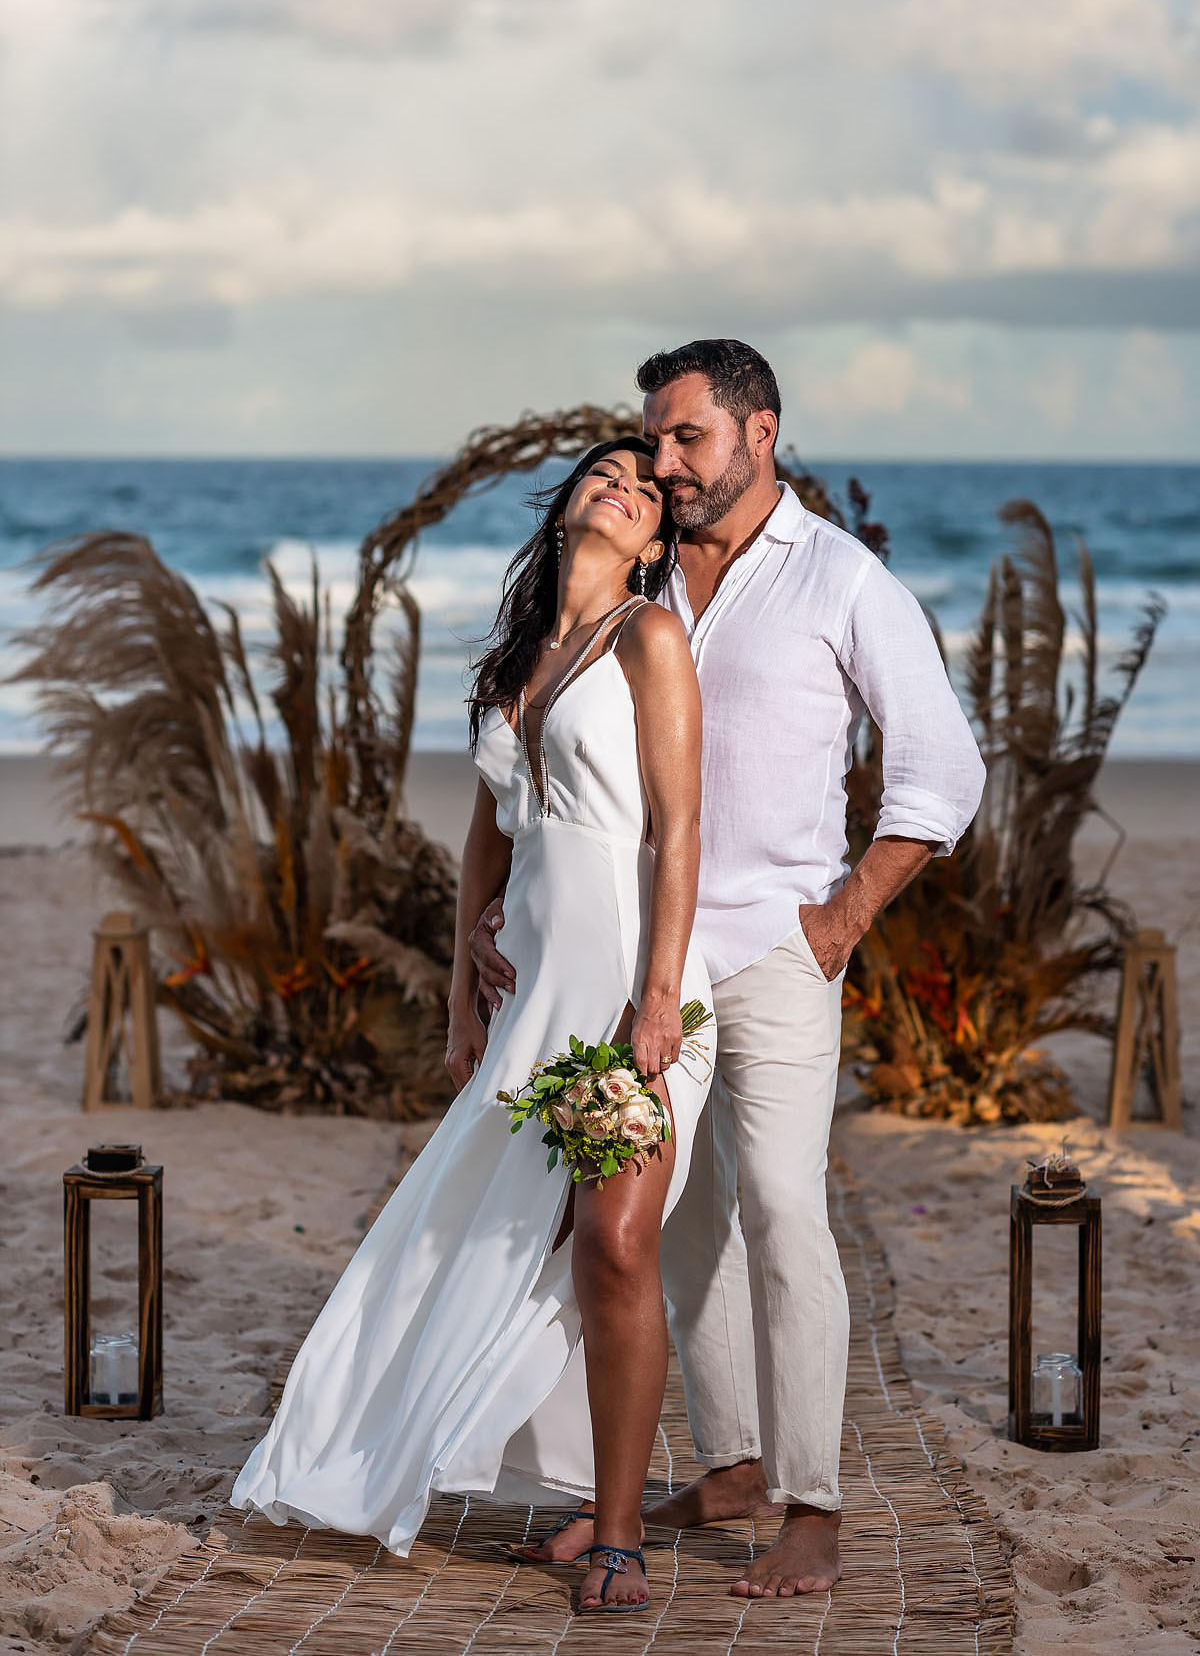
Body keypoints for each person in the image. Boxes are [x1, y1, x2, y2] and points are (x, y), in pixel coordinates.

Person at [471, 340, 987, 1600]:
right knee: (676, 1231)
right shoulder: (639, 580)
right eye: (654, 440)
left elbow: (942, 769)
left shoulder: (844, 580)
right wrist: (502, 908)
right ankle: (736, 1464)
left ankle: (812, 1500)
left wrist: (844, 914)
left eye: (688, 437)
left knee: (780, 1206)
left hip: (767, 948)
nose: (664, 462)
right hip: (632, 956)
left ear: (761, 432)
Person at [231, 436, 715, 1616]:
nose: (626, 487)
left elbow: (682, 827)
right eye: (608, 474)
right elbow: (488, 840)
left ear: (656, 541)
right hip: (527, 996)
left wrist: (657, 997)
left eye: (648, 491)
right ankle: (455, 1461)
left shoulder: (651, 640)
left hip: (630, 982)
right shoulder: (514, 665)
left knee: (614, 1241)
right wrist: (461, 989)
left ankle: (620, 1534)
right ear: (567, 512)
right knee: (488, 1237)